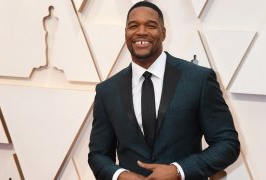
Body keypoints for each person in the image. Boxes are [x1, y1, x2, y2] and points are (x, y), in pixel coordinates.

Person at [88, 1, 240, 180]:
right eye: (133, 26)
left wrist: (178, 170)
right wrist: (120, 175)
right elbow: (98, 154)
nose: (141, 31)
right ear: (126, 33)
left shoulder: (199, 79)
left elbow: (227, 144)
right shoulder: (107, 90)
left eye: (151, 25)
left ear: (163, 33)